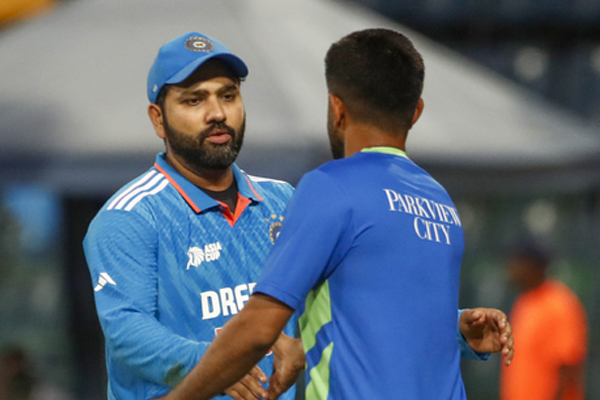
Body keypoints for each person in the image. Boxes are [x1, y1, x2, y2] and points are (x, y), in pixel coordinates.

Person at [157, 29, 514, 400]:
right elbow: (390, 313)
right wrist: (455, 326)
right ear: (416, 112)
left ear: (337, 108)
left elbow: (257, 330)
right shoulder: (439, 201)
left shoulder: (331, 187)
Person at [500, 243, 588, 400]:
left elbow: (569, 365)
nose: (510, 269)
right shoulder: (523, 302)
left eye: (516, 263)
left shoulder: (559, 304)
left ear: (532, 265)